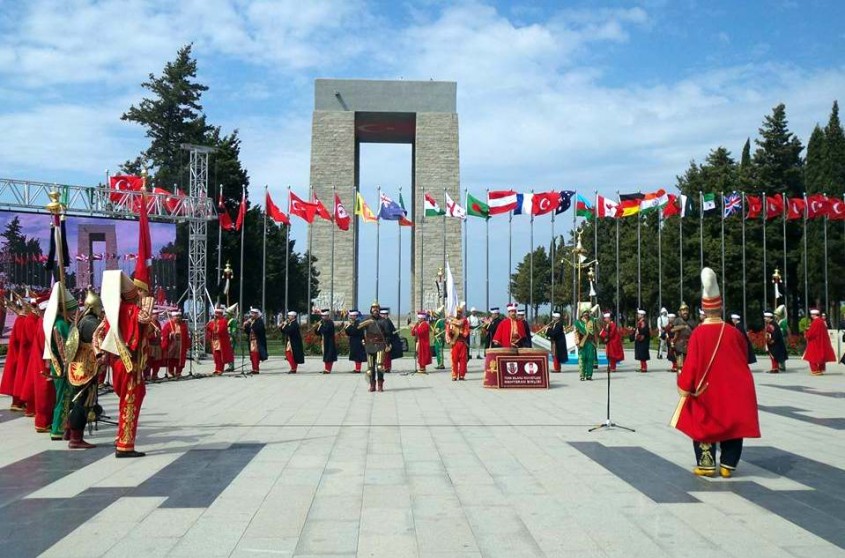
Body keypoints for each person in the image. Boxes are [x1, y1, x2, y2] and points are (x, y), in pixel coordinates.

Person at [674, 267, 760, 478]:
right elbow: (744, 358)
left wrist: (684, 385)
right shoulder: (734, 332)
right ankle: (728, 464)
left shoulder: (699, 334)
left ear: (704, 310)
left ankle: (707, 463)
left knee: (704, 423)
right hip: (735, 387)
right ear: (720, 309)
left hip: (707, 389)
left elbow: (692, 364)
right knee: (733, 424)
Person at [96, 269, 155, 458]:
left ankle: (120, 437)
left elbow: (97, 335)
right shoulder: (131, 310)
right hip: (130, 364)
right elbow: (145, 318)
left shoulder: (112, 313)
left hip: (118, 363)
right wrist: (147, 301)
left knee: (126, 401)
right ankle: (125, 445)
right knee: (130, 403)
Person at [63, 287, 103, 449]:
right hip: (85, 367)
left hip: (79, 366)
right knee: (83, 401)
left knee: (76, 400)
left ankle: (68, 430)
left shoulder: (82, 320)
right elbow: (100, 340)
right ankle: (76, 438)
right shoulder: (90, 323)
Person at [360, 302, 390, 392]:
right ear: (371, 309)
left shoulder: (383, 321)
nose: (375, 310)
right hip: (370, 345)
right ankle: (372, 385)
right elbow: (361, 331)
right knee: (370, 367)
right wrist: (362, 339)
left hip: (380, 345)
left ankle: (380, 384)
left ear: (379, 309)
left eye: (377, 308)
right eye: (373, 308)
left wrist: (387, 344)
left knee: (380, 366)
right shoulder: (366, 320)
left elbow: (388, 334)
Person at [803, 308, 836, 375]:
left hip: (814, 342)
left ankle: (815, 370)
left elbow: (811, 333)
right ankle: (820, 369)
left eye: (812, 314)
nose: (811, 316)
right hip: (821, 341)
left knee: (811, 356)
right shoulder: (821, 321)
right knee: (821, 356)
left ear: (814, 315)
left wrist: (806, 333)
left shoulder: (815, 322)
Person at [206, 307, 234, 375]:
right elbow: (209, 329)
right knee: (216, 355)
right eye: (215, 313)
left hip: (221, 341)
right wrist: (208, 327)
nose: (216, 315)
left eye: (217, 314)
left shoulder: (224, 321)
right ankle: (217, 369)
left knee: (220, 355)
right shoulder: (212, 321)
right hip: (214, 341)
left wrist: (212, 328)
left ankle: (220, 369)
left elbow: (221, 330)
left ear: (221, 314)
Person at [161, 311, 190, 378]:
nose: (178, 318)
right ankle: (171, 371)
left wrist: (187, 345)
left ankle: (178, 372)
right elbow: (164, 334)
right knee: (171, 357)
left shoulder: (183, 325)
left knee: (179, 358)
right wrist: (170, 334)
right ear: (173, 317)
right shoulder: (168, 325)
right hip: (172, 343)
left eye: (179, 316)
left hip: (181, 343)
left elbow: (186, 336)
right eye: (176, 316)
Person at [446, 305, 470, 381]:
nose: (458, 313)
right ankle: (454, 375)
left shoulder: (464, 320)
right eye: (457, 312)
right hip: (454, 343)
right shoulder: (451, 321)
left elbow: (466, 330)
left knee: (463, 360)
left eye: (460, 312)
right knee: (454, 360)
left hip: (462, 342)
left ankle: (462, 375)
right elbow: (448, 332)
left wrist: (462, 333)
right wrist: (450, 332)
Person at [671, 303, 696, 373]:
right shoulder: (677, 320)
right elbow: (672, 329)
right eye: (683, 311)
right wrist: (682, 326)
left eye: (686, 311)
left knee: (689, 364)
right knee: (680, 365)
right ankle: (680, 379)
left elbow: (695, 332)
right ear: (680, 312)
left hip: (689, 344)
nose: (685, 312)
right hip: (679, 344)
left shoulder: (692, 321)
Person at [574, 306, 597, 381]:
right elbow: (576, 333)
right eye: (584, 313)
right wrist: (577, 342)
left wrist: (596, 341)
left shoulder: (592, 321)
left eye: (587, 313)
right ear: (582, 314)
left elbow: (596, 331)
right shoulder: (579, 322)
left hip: (590, 342)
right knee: (581, 359)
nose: (586, 314)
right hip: (582, 343)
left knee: (590, 359)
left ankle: (589, 375)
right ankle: (582, 375)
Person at [244, 308, 268, 374]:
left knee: (255, 355)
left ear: (257, 314)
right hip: (251, 341)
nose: (251, 315)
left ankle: (256, 369)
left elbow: (257, 330)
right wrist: (246, 325)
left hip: (257, 341)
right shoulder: (253, 321)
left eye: (253, 313)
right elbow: (248, 331)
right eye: (251, 313)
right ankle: (254, 368)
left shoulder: (259, 321)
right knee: (252, 355)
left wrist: (250, 325)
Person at [316, 309, 337, 374]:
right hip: (324, 340)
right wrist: (317, 327)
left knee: (329, 355)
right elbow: (318, 332)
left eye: (325, 316)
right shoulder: (323, 323)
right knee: (325, 354)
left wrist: (321, 326)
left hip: (329, 341)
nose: (323, 317)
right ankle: (326, 368)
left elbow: (325, 331)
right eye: (322, 316)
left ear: (328, 316)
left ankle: (328, 369)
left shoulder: (330, 323)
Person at [145, 310, 163, 381]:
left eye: (157, 314)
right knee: (149, 361)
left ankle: (155, 374)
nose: (156, 316)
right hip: (150, 345)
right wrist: (154, 333)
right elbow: (147, 336)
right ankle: (147, 375)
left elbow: (160, 333)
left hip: (157, 344)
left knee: (157, 361)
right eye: (154, 314)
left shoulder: (158, 323)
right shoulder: (149, 324)